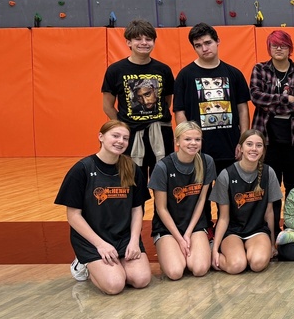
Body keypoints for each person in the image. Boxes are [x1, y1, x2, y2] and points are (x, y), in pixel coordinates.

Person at [55, 120, 151, 294]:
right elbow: (73, 216)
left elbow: (137, 209)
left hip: (123, 236)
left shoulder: (132, 169)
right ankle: (83, 263)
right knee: (115, 285)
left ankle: (116, 265)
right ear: (101, 137)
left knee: (141, 279)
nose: (120, 141)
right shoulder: (82, 169)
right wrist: (100, 245)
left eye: (125, 138)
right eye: (115, 136)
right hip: (93, 240)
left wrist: (134, 240)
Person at [172, 23, 251, 177]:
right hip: (199, 150)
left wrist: (243, 142)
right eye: (198, 45)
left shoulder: (234, 74)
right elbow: (179, 112)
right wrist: (188, 143)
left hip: (230, 148)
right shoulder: (184, 76)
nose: (204, 48)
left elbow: (243, 110)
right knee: (201, 199)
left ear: (217, 41)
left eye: (208, 43)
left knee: (230, 198)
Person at [249, 29, 294, 228]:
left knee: (293, 184)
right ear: (269, 47)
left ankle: (292, 225)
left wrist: (272, 104)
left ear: (290, 48)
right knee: (270, 185)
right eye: (274, 45)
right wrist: (285, 98)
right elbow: (256, 97)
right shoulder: (260, 69)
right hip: (267, 138)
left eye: (283, 45)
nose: (279, 49)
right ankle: (271, 228)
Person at [101, 19, 176, 173]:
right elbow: (107, 106)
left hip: (161, 134)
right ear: (128, 42)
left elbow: (167, 101)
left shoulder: (163, 70)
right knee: (132, 182)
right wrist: (123, 125)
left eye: (148, 39)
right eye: (138, 39)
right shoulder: (115, 70)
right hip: (131, 135)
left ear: (154, 42)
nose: (144, 43)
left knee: (162, 181)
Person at [150, 121, 216, 280]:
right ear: (177, 141)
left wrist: (188, 233)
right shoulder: (163, 167)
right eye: (188, 139)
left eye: (197, 140)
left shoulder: (207, 162)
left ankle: (202, 244)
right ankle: (167, 248)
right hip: (167, 227)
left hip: (193, 225)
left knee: (199, 269)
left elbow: (201, 200)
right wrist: (179, 238)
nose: (193, 143)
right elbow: (161, 209)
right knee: (175, 272)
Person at [211, 129, 279, 274]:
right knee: (236, 266)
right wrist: (215, 250)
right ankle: (231, 254)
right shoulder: (226, 175)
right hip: (233, 232)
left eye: (259, 145)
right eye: (249, 144)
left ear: (263, 150)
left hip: (257, 231)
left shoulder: (269, 173)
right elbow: (223, 217)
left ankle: (248, 252)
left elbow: (269, 212)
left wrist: (272, 244)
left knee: (257, 264)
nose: (254, 149)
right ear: (240, 148)